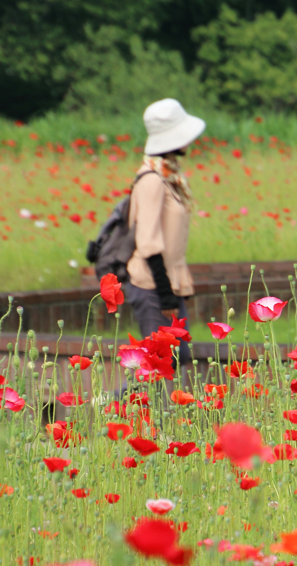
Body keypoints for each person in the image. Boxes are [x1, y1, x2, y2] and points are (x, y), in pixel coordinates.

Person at [123, 98, 206, 372]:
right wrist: (167, 297)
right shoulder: (152, 181)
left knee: (174, 358)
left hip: (165, 286)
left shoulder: (168, 177)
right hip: (153, 287)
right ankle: (101, 406)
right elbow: (148, 243)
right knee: (155, 368)